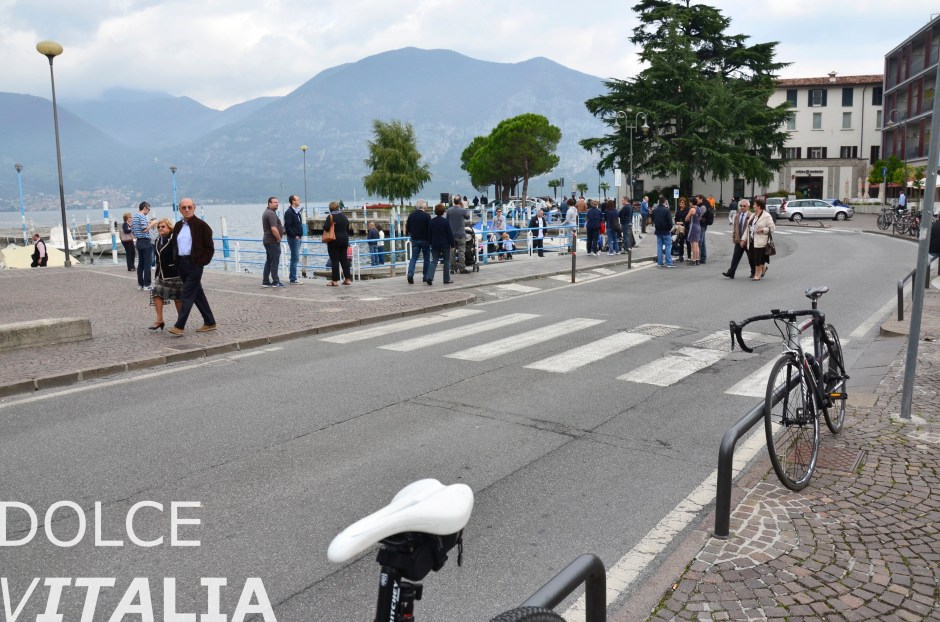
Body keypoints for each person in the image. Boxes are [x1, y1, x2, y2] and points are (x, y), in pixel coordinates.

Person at [168, 198, 216, 336]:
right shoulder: (177, 226)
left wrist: (201, 262)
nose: (187, 209)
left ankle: (179, 326)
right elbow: (174, 245)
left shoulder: (202, 226)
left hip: (195, 264)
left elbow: (209, 248)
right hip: (181, 264)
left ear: (194, 208)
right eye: (184, 207)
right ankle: (210, 322)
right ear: (180, 209)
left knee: (187, 294)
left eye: (189, 207)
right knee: (197, 294)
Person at [149, 218, 182, 331]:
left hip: (174, 273)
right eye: (159, 227)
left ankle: (180, 321)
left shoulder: (174, 239)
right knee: (156, 294)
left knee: (177, 298)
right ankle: (159, 320)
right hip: (161, 273)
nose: (160, 229)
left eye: (163, 226)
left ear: (169, 227)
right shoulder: (158, 239)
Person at [746, 197, 776, 281]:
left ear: (759, 206)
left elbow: (772, 228)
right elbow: (748, 228)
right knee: (752, 257)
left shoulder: (766, 216)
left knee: (758, 258)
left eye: (755, 204)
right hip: (751, 240)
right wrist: (744, 239)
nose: (753, 206)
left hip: (761, 241)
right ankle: (763, 268)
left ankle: (757, 274)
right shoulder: (753, 215)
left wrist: (763, 230)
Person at [723, 199, 753, 279]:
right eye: (741, 206)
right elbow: (735, 228)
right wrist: (734, 238)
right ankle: (731, 273)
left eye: (744, 206)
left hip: (747, 241)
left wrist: (746, 239)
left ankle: (753, 272)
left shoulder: (751, 216)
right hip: (738, 240)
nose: (742, 207)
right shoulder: (737, 215)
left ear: (748, 207)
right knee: (735, 258)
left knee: (751, 258)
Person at [325, 201, 352, 286]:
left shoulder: (330, 217)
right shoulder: (344, 217)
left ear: (330, 209)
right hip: (344, 239)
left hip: (334, 240)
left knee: (335, 260)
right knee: (344, 259)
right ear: (338, 208)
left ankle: (335, 281)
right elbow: (347, 228)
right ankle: (347, 279)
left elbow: (326, 227)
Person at [427, 203, 454, 285]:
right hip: (445, 245)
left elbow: (429, 234)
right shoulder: (445, 222)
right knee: (446, 262)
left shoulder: (431, 222)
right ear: (443, 212)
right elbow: (449, 234)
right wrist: (452, 244)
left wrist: (430, 242)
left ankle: (429, 277)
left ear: (435, 211)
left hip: (435, 244)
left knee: (434, 261)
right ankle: (446, 279)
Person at [405, 199, 432, 285]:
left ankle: (410, 274)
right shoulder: (427, 216)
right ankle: (425, 276)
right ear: (424, 206)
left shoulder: (411, 215)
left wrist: (412, 233)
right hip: (425, 240)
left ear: (416, 206)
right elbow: (430, 228)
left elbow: (408, 227)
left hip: (415, 239)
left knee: (414, 258)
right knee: (426, 258)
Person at [132, 201, 157, 290]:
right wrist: (152, 224)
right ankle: (147, 285)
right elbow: (144, 230)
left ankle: (140, 284)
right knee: (147, 264)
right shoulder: (142, 216)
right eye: (148, 209)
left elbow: (134, 231)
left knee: (141, 264)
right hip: (146, 242)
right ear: (145, 208)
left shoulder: (134, 217)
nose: (149, 211)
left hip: (138, 242)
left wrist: (148, 224)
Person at [261, 196, 285, 288]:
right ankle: (276, 281)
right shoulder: (271, 214)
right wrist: (279, 238)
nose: (277, 204)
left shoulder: (267, 212)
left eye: (277, 202)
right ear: (269, 203)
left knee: (269, 261)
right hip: (272, 241)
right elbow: (274, 229)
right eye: (275, 202)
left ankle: (266, 281)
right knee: (274, 261)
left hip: (267, 240)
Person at [283, 194, 304, 284]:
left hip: (298, 237)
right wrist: (294, 235)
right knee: (295, 258)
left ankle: (293, 277)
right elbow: (287, 226)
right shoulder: (289, 212)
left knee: (296, 258)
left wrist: (300, 234)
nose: (299, 201)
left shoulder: (297, 212)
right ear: (293, 201)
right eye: (298, 200)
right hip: (294, 238)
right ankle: (293, 278)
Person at [446, 196, 470, 273]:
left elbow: (447, 220)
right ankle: (462, 268)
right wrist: (463, 207)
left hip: (452, 235)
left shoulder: (449, 210)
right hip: (461, 234)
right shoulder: (462, 210)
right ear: (460, 202)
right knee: (461, 251)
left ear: (453, 201)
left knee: (452, 252)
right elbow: (467, 217)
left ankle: (452, 268)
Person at [652, 197, 675, 268]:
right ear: (665, 202)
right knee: (668, 246)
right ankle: (668, 263)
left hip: (658, 230)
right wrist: (669, 228)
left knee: (659, 246)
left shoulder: (655, 210)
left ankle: (659, 262)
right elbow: (670, 222)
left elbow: (653, 219)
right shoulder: (666, 210)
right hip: (666, 231)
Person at [685, 196, 703, 265]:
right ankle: (697, 259)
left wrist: (689, 219)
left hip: (693, 227)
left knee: (693, 244)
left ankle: (693, 260)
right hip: (698, 226)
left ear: (692, 202)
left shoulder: (692, 209)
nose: (689, 203)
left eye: (690, 202)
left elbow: (686, 218)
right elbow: (700, 217)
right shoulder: (699, 208)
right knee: (697, 244)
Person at [674, 197, 690, 262]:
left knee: (688, 242)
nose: (681, 203)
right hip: (679, 228)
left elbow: (688, 219)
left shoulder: (687, 209)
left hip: (686, 227)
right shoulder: (678, 210)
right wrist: (677, 222)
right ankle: (681, 256)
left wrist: (683, 222)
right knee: (680, 242)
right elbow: (676, 218)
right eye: (680, 202)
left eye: (682, 202)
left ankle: (689, 257)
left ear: (685, 203)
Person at [698, 194, 712, 264]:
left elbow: (699, 216)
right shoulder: (705, 204)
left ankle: (699, 257)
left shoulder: (703, 206)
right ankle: (703, 257)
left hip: (702, 225)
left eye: (697, 199)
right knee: (702, 242)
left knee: (700, 241)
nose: (696, 201)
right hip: (704, 224)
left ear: (701, 199)